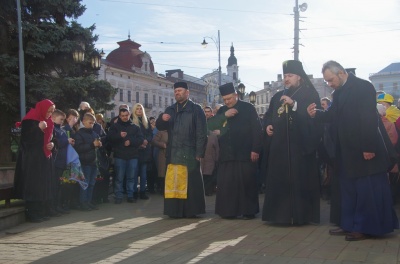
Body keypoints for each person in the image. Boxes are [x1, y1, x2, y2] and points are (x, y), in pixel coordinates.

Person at [307, 60, 399, 241]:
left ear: (341, 73)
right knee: (349, 191)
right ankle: (349, 224)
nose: (329, 84)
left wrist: (368, 147)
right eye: (327, 81)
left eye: (330, 80)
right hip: (347, 152)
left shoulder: (363, 87)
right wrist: (316, 113)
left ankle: (365, 227)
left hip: (365, 150)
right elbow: (332, 115)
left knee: (366, 192)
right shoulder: (339, 92)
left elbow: (368, 118)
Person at [262, 60, 322, 225]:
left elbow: (315, 117)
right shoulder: (277, 96)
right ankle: (278, 216)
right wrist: (267, 125)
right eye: (284, 76)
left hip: (298, 148)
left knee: (297, 180)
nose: (286, 79)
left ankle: (299, 216)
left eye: (290, 75)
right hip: (278, 148)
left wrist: (294, 105)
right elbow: (268, 115)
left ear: (300, 77)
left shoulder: (309, 94)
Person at [207, 82, 262, 219]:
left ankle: (248, 211)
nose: (227, 102)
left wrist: (255, 149)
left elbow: (257, 130)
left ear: (236, 95)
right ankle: (228, 211)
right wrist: (224, 115)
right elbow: (211, 126)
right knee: (227, 185)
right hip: (227, 154)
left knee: (246, 183)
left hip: (245, 152)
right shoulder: (222, 111)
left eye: (229, 99)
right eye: (225, 100)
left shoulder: (248, 108)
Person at [156, 81, 207, 218]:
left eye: (180, 90)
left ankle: (191, 211)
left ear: (187, 92)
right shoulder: (171, 109)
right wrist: (162, 119)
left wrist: (199, 152)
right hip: (173, 152)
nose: (177, 93)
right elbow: (160, 127)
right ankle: (174, 211)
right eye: (175, 91)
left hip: (190, 152)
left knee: (190, 184)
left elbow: (201, 132)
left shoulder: (196, 109)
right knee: (174, 181)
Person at [14, 99, 56, 222]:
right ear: (43, 109)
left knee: (42, 185)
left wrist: (52, 144)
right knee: (34, 186)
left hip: (43, 158)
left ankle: (41, 211)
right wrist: (38, 128)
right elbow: (26, 140)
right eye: (49, 111)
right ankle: (32, 212)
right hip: (31, 160)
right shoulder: (30, 119)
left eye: (52, 111)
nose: (50, 113)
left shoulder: (49, 121)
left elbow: (53, 138)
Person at [108, 108, 144, 204]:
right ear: (119, 116)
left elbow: (141, 139)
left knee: (131, 177)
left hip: (132, 156)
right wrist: (119, 136)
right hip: (120, 155)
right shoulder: (115, 127)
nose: (124, 117)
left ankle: (130, 195)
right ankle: (118, 196)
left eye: (126, 115)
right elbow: (110, 138)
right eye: (122, 116)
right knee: (119, 177)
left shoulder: (135, 127)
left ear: (129, 115)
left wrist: (131, 142)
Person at [73, 113, 102, 211]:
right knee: (85, 184)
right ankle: (83, 203)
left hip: (94, 162)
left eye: (93, 123)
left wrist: (99, 144)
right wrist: (92, 145)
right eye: (90, 123)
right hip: (85, 162)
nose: (92, 125)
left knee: (92, 184)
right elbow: (79, 148)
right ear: (84, 122)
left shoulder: (94, 133)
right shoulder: (79, 134)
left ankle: (89, 202)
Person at [52, 109, 74, 214]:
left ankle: (58, 205)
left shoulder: (61, 130)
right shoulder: (53, 129)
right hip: (56, 161)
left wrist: (69, 142)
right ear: (53, 118)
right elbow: (56, 143)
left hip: (62, 161)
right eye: (60, 119)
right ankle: (53, 207)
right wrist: (66, 141)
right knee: (55, 186)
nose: (62, 122)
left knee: (60, 186)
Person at [131, 103, 153, 200]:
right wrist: (140, 142)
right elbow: (131, 135)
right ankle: (134, 192)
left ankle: (143, 191)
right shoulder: (131, 121)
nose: (139, 110)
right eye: (137, 109)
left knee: (143, 173)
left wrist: (146, 141)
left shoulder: (146, 120)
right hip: (135, 150)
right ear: (134, 110)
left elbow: (150, 134)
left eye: (140, 109)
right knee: (135, 173)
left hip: (145, 151)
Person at [201, 106, 219, 196]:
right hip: (203, 149)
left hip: (211, 146)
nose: (206, 113)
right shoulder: (200, 120)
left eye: (208, 111)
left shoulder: (214, 121)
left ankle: (210, 189)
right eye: (205, 111)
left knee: (210, 171)